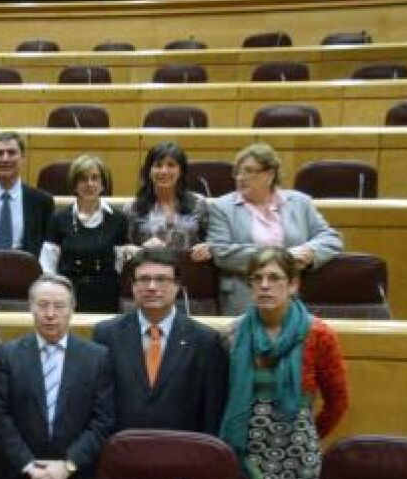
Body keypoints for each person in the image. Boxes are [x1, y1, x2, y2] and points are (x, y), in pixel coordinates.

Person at [219, 247, 348, 479]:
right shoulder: (232, 334)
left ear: (293, 284)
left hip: (297, 451)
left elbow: (338, 400)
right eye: (257, 278)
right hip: (246, 448)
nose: (265, 285)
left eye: (274, 278)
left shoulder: (318, 334)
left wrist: (309, 434)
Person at [0, 274, 116, 479]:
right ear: (30, 307)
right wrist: (30, 467)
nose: (50, 314)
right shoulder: (6, 355)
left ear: (72, 309)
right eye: (43, 305)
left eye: (59, 306)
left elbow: (103, 421)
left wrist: (67, 466)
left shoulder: (97, 358)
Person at [92, 248, 228, 435]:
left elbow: (211, 410)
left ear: (177, 285)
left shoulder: (204, 340)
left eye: (161, 279)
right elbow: (98, 402)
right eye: (144, 279)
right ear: (133, 286)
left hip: (183, 446)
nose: (152, 287)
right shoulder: (107, 334)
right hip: (121, 445)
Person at [207, 142, 344, 315]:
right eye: (237, 172)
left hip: (294, 295)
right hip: (244, 295)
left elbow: (331, 238)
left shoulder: (300, 202)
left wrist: (310, 252)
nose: (240, 177)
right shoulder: (221, 207)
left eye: (248, 171)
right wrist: (284, 258)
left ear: (270, 174)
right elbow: (222, 252)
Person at [41, 154, 131, 313]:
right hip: (67, 298)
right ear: (74, 185)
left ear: (103, 184)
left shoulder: (118, 220)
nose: (90, 184)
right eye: (83, 179)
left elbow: (121, 266)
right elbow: (47, 266)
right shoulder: (58, 220)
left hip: (107, 297)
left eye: (95, 178)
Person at [125, 141, 212, 261]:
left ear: (181, 171)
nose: (164, 171)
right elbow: (123, 249)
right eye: (158, 165)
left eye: (171, 165)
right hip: (149, 269)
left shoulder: (199, 204)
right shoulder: (133, 207)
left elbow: (213, 242)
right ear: (149, 171)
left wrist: (208, 248)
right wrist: (140, 250)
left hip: (190, 269)